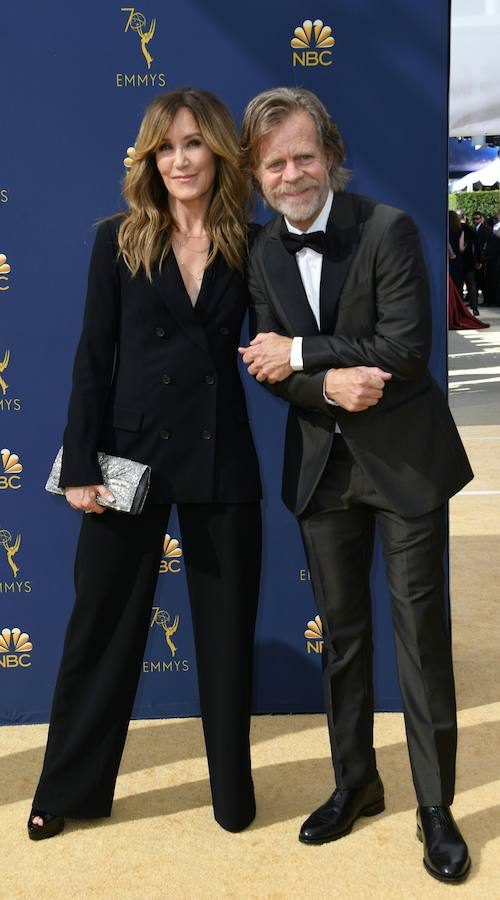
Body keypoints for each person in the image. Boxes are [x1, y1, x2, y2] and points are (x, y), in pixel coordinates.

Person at [238, 87, 473, 884]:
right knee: (343, 641)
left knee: (421, 640)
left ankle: (436, 807)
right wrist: (324, 384)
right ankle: (356, 784)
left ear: (330, 154)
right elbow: (267, 368)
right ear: (257, 175)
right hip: (322, 469)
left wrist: (306, 359)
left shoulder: (388, 228)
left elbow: (406, 346)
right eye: (275, 163)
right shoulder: (262, 252)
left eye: (304, 155)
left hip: (405, 464)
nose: (292, 173)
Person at [28, 88, 262, 840]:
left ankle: (232, 795)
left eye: (193, 143)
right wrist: (81, 467)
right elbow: (94, 359)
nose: (179, 159)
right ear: (149, 159)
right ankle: (68, 789)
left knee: (227, 635)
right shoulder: (119, 239)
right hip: (126, 458)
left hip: (220, 456)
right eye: (164, 147)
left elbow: (281, 345)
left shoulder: (253, 244)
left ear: (219, 151)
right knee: (102, 629)